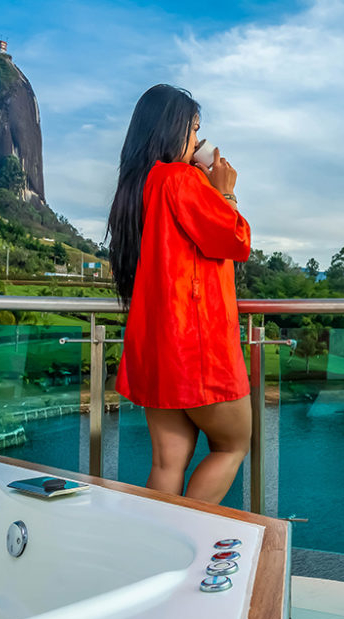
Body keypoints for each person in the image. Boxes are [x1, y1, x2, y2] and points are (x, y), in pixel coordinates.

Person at [108, 84, 252, 504]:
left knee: (168, 462)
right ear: (173, 129)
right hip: (196, 348)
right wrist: (224, 190)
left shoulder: (138, 187)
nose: (197, 140)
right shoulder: (180, 178)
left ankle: (158, 539)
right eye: (194, 130)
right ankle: (185, 535)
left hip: (156, 348)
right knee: (232, 446)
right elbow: (234, 239)